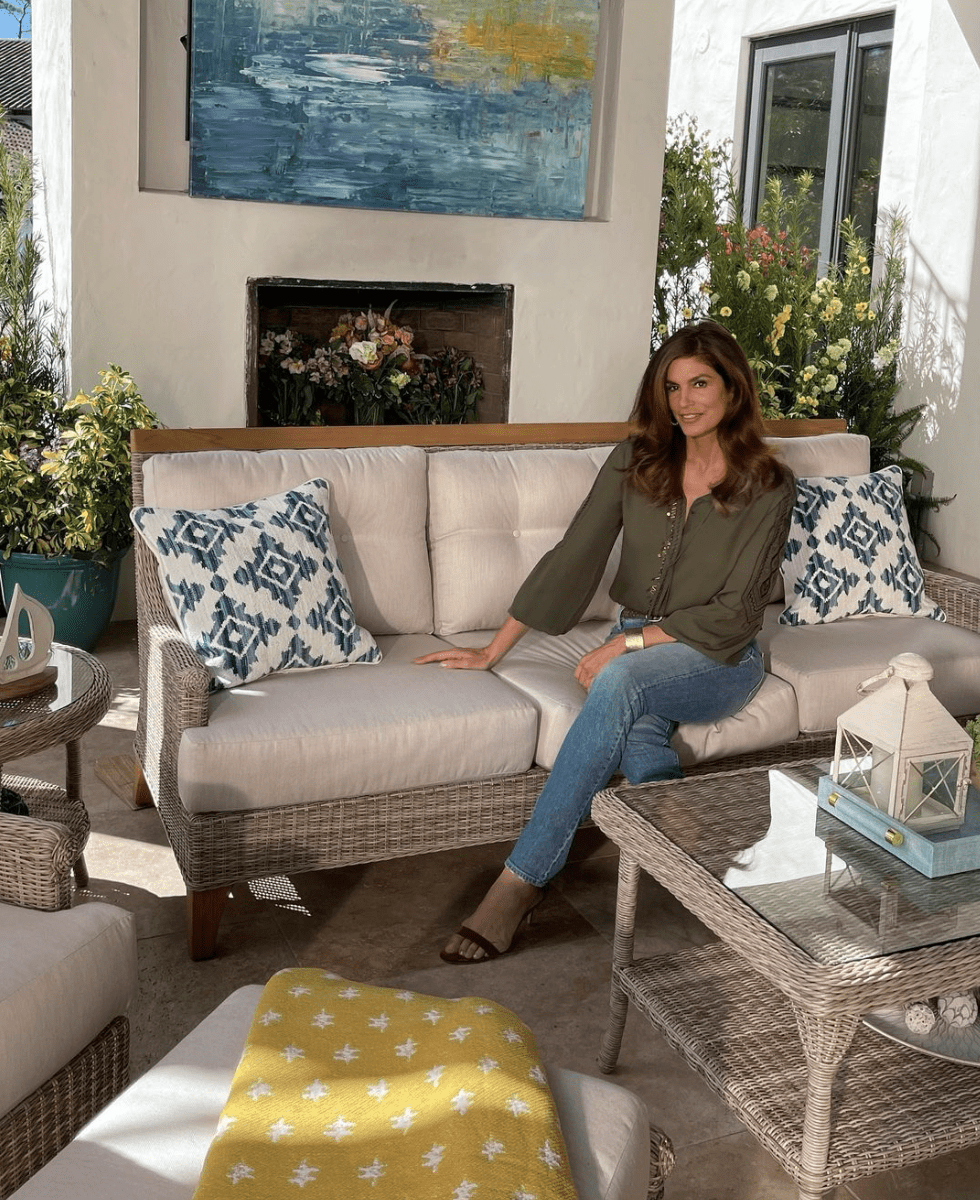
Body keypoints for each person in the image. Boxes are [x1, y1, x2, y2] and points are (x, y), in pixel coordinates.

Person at [414, 321, 796, 963]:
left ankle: (520, 882)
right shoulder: (636, 459)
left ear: (733, 388)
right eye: (672, 386)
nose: (684, 401)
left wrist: (629, 647)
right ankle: (686, 841)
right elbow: (575, 554)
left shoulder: (770, 485)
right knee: (640, 732)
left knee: (620, 683)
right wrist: (492, 649)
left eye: (700, 383)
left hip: (720, 659)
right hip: (642, 648)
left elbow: (737, 614)